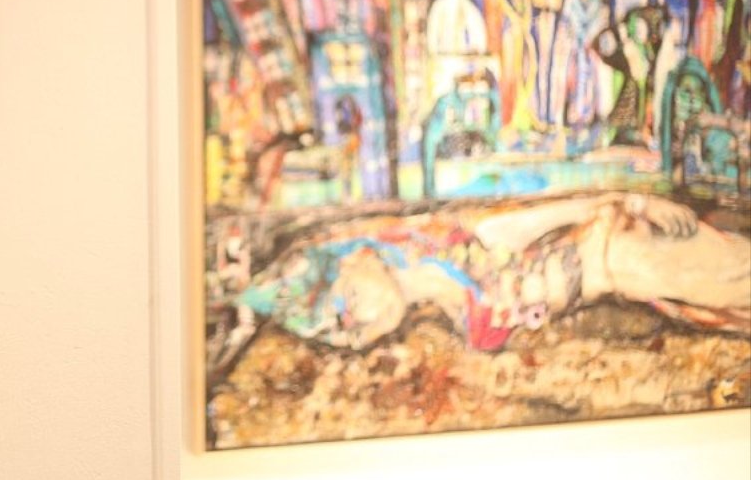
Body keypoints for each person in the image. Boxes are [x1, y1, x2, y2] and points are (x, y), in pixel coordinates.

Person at [230, 192, 750, 354]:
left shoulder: (469, 240)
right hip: (641, 284)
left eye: (346, 304)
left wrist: (642, 203)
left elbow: (572, 209)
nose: (356, 325)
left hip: (633, 253)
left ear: (357, 256)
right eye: (341, 332)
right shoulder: (455, 316)